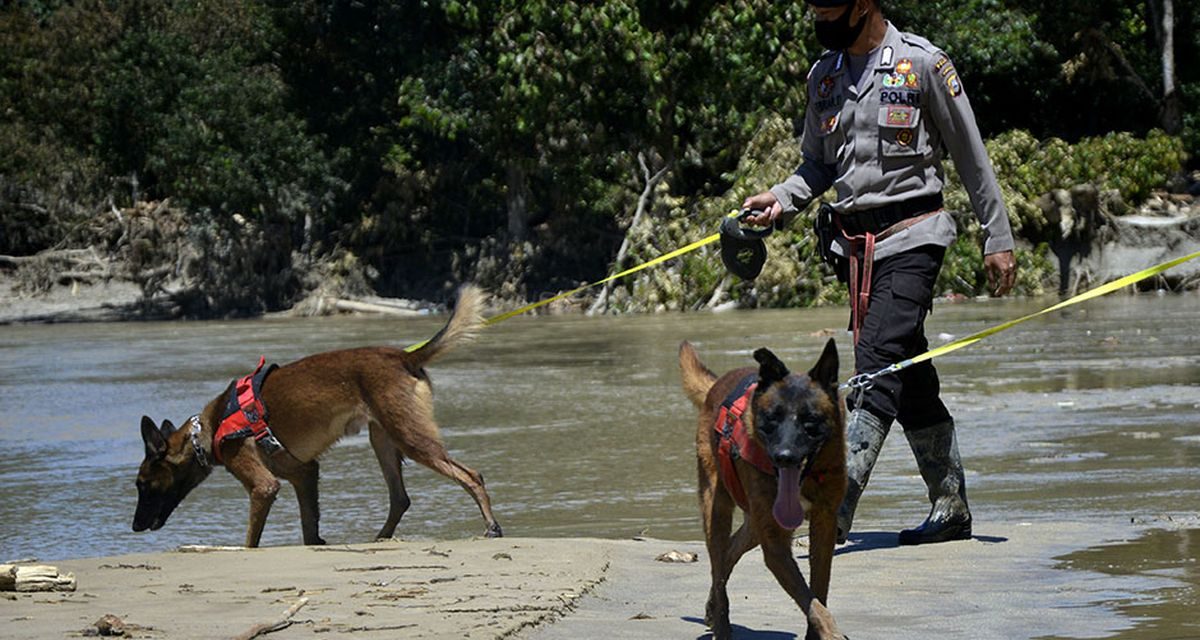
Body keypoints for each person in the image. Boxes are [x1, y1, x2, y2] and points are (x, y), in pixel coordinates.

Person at [741, 0, 1017, 545]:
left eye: (830, 11)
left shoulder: (923, 64)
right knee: (910, 379)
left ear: (863, 4)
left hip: (915, 236)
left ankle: (833, 507)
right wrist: (779, 199)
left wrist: (998, 236)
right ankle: (951, 507)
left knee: (875, 368)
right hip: (856, 249)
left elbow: (971, 154)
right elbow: (817, 165)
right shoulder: (824, 76)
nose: (821, 22)